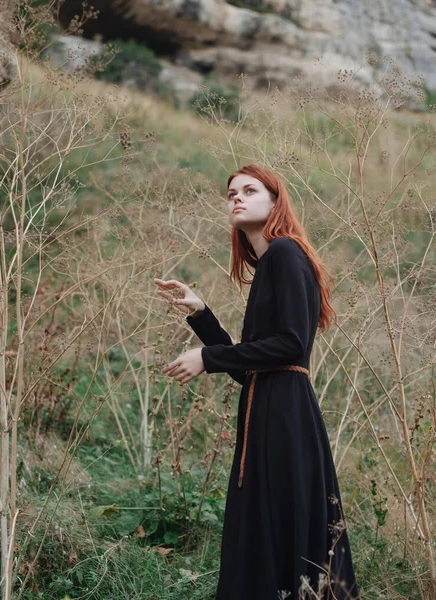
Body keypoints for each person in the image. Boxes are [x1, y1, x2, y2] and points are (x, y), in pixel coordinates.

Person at [154, 164, 360, 599]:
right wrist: (200, 314)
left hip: (284, 416)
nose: (236, 197)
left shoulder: (285, 252)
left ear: (274, 200)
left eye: (249, 190)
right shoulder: (271, 264)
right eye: (231, 193)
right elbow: (246, 367)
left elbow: (290, 345)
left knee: (279, 534)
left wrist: (207, 357)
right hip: (267, 411)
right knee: (264, 535)